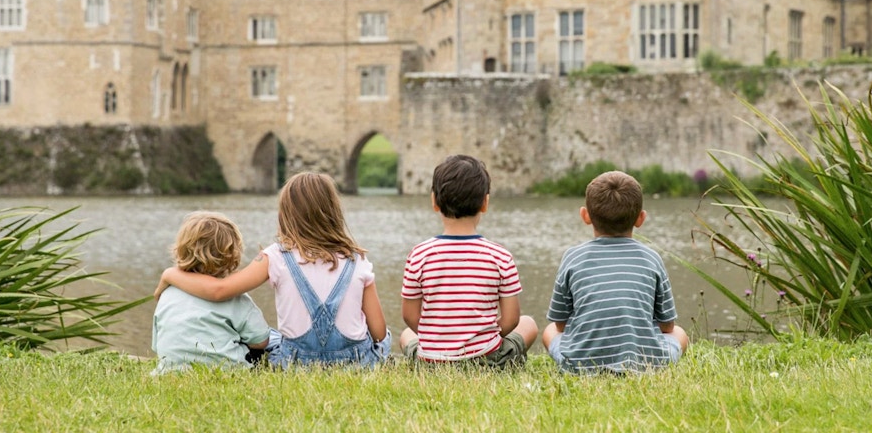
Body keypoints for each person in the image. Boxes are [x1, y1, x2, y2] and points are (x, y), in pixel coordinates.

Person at [154, 172, 390, 368]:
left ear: (286, 214)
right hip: (356, 363)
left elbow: (220, 290)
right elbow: (378, 332)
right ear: (334, 212)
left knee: (273, 337)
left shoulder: (276, 256)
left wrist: (170, 274)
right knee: (387, 338)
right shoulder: (357, 258)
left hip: (296, 364)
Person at [542, 170, 689, 373]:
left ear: (585, 216)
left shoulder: (572, 257)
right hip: (646, 364)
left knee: (548, 331)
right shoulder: (651, 258)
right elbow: (668, 327)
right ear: (640, 219)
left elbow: (559, 324)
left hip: (579, 365)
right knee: (680, 334)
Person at [400, 154, 538, 366]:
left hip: (432, 361)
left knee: (405, 336)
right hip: (487, 358)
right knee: (529, 324)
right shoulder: (500, 256)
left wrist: (440, 339)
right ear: (485, 203)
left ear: (434, 201)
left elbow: (410, 316)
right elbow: (511, 319)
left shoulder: (419, 254)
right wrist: (478, 336)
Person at [152, 211, 272, 374]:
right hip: (228, 372)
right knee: (273, 340)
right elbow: (260, 341)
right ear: (233, 256)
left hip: (170, 371)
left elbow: (157, 343)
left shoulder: (167, 294)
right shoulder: (235, 298)